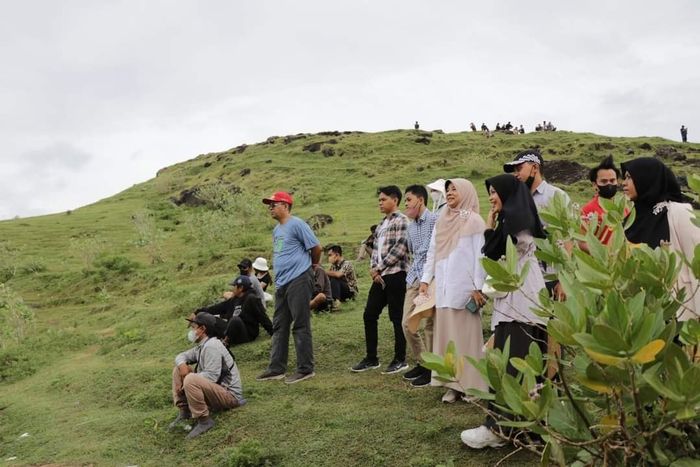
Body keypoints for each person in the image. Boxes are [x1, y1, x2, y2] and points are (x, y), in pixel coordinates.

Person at [460, 174, 548, 449]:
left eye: (495, 192)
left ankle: (499, 429)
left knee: (512, 359)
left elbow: (497, 253)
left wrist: (491, 231)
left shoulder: (516, 223)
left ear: (509, 194)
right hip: (522, 295)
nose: (491, 198)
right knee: (524, 360)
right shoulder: (513, 220)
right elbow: (496, 248)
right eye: (489, 194)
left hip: (518, 300)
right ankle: (526, 427)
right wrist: (491, 228)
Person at [419, 179, 488, 402]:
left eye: (454, 189)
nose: (449, 193)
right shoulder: (442, 219)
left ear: (466, 192)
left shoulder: (475, 221)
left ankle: (473, 386)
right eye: (447, 189)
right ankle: (452, 384)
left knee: (467, 341)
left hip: (465, 290)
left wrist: (479, 287)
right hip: (444, 289)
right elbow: (432, 252)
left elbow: (480, 257)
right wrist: (425, 279)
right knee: (448, 340)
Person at [621, 157, 700, 321]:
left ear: (646, 178)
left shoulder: (679, 212)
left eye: (629, 177)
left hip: (678, 307)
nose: (623, 182)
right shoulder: (631, 219)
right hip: (641, 312)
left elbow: (696, 260)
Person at [256, 191, 321, 384]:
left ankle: (305, 369)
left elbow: (316, 247)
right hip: (282, 282)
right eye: (269, 205)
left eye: (273, 204)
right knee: (279, 325)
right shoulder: (277, 230)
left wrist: (313, 266)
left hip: (299, 278)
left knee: (300, 324)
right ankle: (276, 368)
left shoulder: (297, 224)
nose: (270, 208)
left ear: (285, 205)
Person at [351, 186, 410, 374]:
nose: (380, 202)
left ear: (395, 200)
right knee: (369, 314)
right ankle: (371, 358)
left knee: (396, 317)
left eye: (383, 199)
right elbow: (375, 250)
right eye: (379, 200)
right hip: (380, 277)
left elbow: (401, 248)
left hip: (396, 274)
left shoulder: (402, 220)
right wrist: (373, 269)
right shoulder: (381, 224)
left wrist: (379, 268)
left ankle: (400, 359)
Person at [504, 149, 570, 300]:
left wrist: (564, 280)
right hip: (524, 278)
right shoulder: (514, 201)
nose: (516, 174)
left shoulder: (556, 196)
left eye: (519, 168)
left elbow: (568, 238)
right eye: (515, 170)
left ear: (535, 167)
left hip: (551, 277)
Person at [169, 313, 243, 439]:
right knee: (178, 369)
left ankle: (204, 421)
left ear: (203, 329)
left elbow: (212, 376)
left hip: (229, 395)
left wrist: (187, 381)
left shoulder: (212, 346)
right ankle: (185, 412)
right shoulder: (202, 345)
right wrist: (182, 366)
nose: (192, 331)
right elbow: (181, 356)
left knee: (191, 378)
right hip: (217, 391)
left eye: (194, 327)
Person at [400, 184, 438, 387]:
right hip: (414, 279)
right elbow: (414, 253)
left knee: (430, 325)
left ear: (420, 200)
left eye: (408, 200)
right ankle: (423, 363)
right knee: (407, 323)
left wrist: (428, 278)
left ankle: (433, 369)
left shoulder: (434, 220)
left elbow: (433, 252)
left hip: (431, 278)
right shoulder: (411, 225)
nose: (406, 204)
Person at [197, 275, 273, 346]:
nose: (232, 288)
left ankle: (225, 342)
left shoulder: (252, 298)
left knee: (235, 320)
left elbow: (262, 317)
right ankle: (211, 340)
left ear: (240, 288)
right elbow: (218, 307)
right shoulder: (235, 299)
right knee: (207, 318)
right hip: (232, 330)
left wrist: (273, 332)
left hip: (246, 334)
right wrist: (198, 312)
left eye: (234, 286)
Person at [326, 245, 358, 309]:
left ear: (337, 255)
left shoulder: (347, 263)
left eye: (330, 255)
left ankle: (336, 302)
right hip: (340, 290)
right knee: (330, 278)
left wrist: (323, 272)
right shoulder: (333, 266)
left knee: (335, 277)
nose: (329, 258)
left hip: (350, 291)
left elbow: (338, 274)